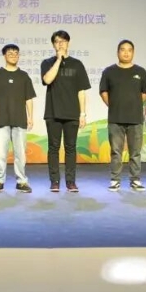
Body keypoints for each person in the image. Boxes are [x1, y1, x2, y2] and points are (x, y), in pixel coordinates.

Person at [40, 30, 91, 193]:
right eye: (57, 41)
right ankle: (54, 181)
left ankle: (71, 181)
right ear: (53, 44)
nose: (60, 44)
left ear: (68, 43)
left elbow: (81, 91)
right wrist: (58, 60)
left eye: (63, 41)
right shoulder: (47, 62)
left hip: (72, 113)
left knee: (71, 148)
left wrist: (82, 113)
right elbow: (47, 79)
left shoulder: (77, 64)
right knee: (53, 148)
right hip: (53, 112)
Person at [99, 40, 146, 192]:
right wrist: (114, 105)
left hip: (135, 118)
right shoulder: (109, 71)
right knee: (116, 151)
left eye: (129, 50)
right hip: (116, 118)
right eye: (123, 50)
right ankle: (115, 180)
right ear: (118, 52)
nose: (126, 53)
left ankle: (135, 180)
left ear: (133, 53)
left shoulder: (141, 71)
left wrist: (134, 104)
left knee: (135, 152)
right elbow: (103, 92)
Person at [0, 43, 36, 194]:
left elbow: (29, 98)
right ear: (4, 56)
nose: (14, 56)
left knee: (20, 154)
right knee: (0, 154)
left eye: (16, 53)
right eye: (10, 53)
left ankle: (21, 181)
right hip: (1, 118)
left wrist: (30, 117)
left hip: (20, 119)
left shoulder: (24, 76)